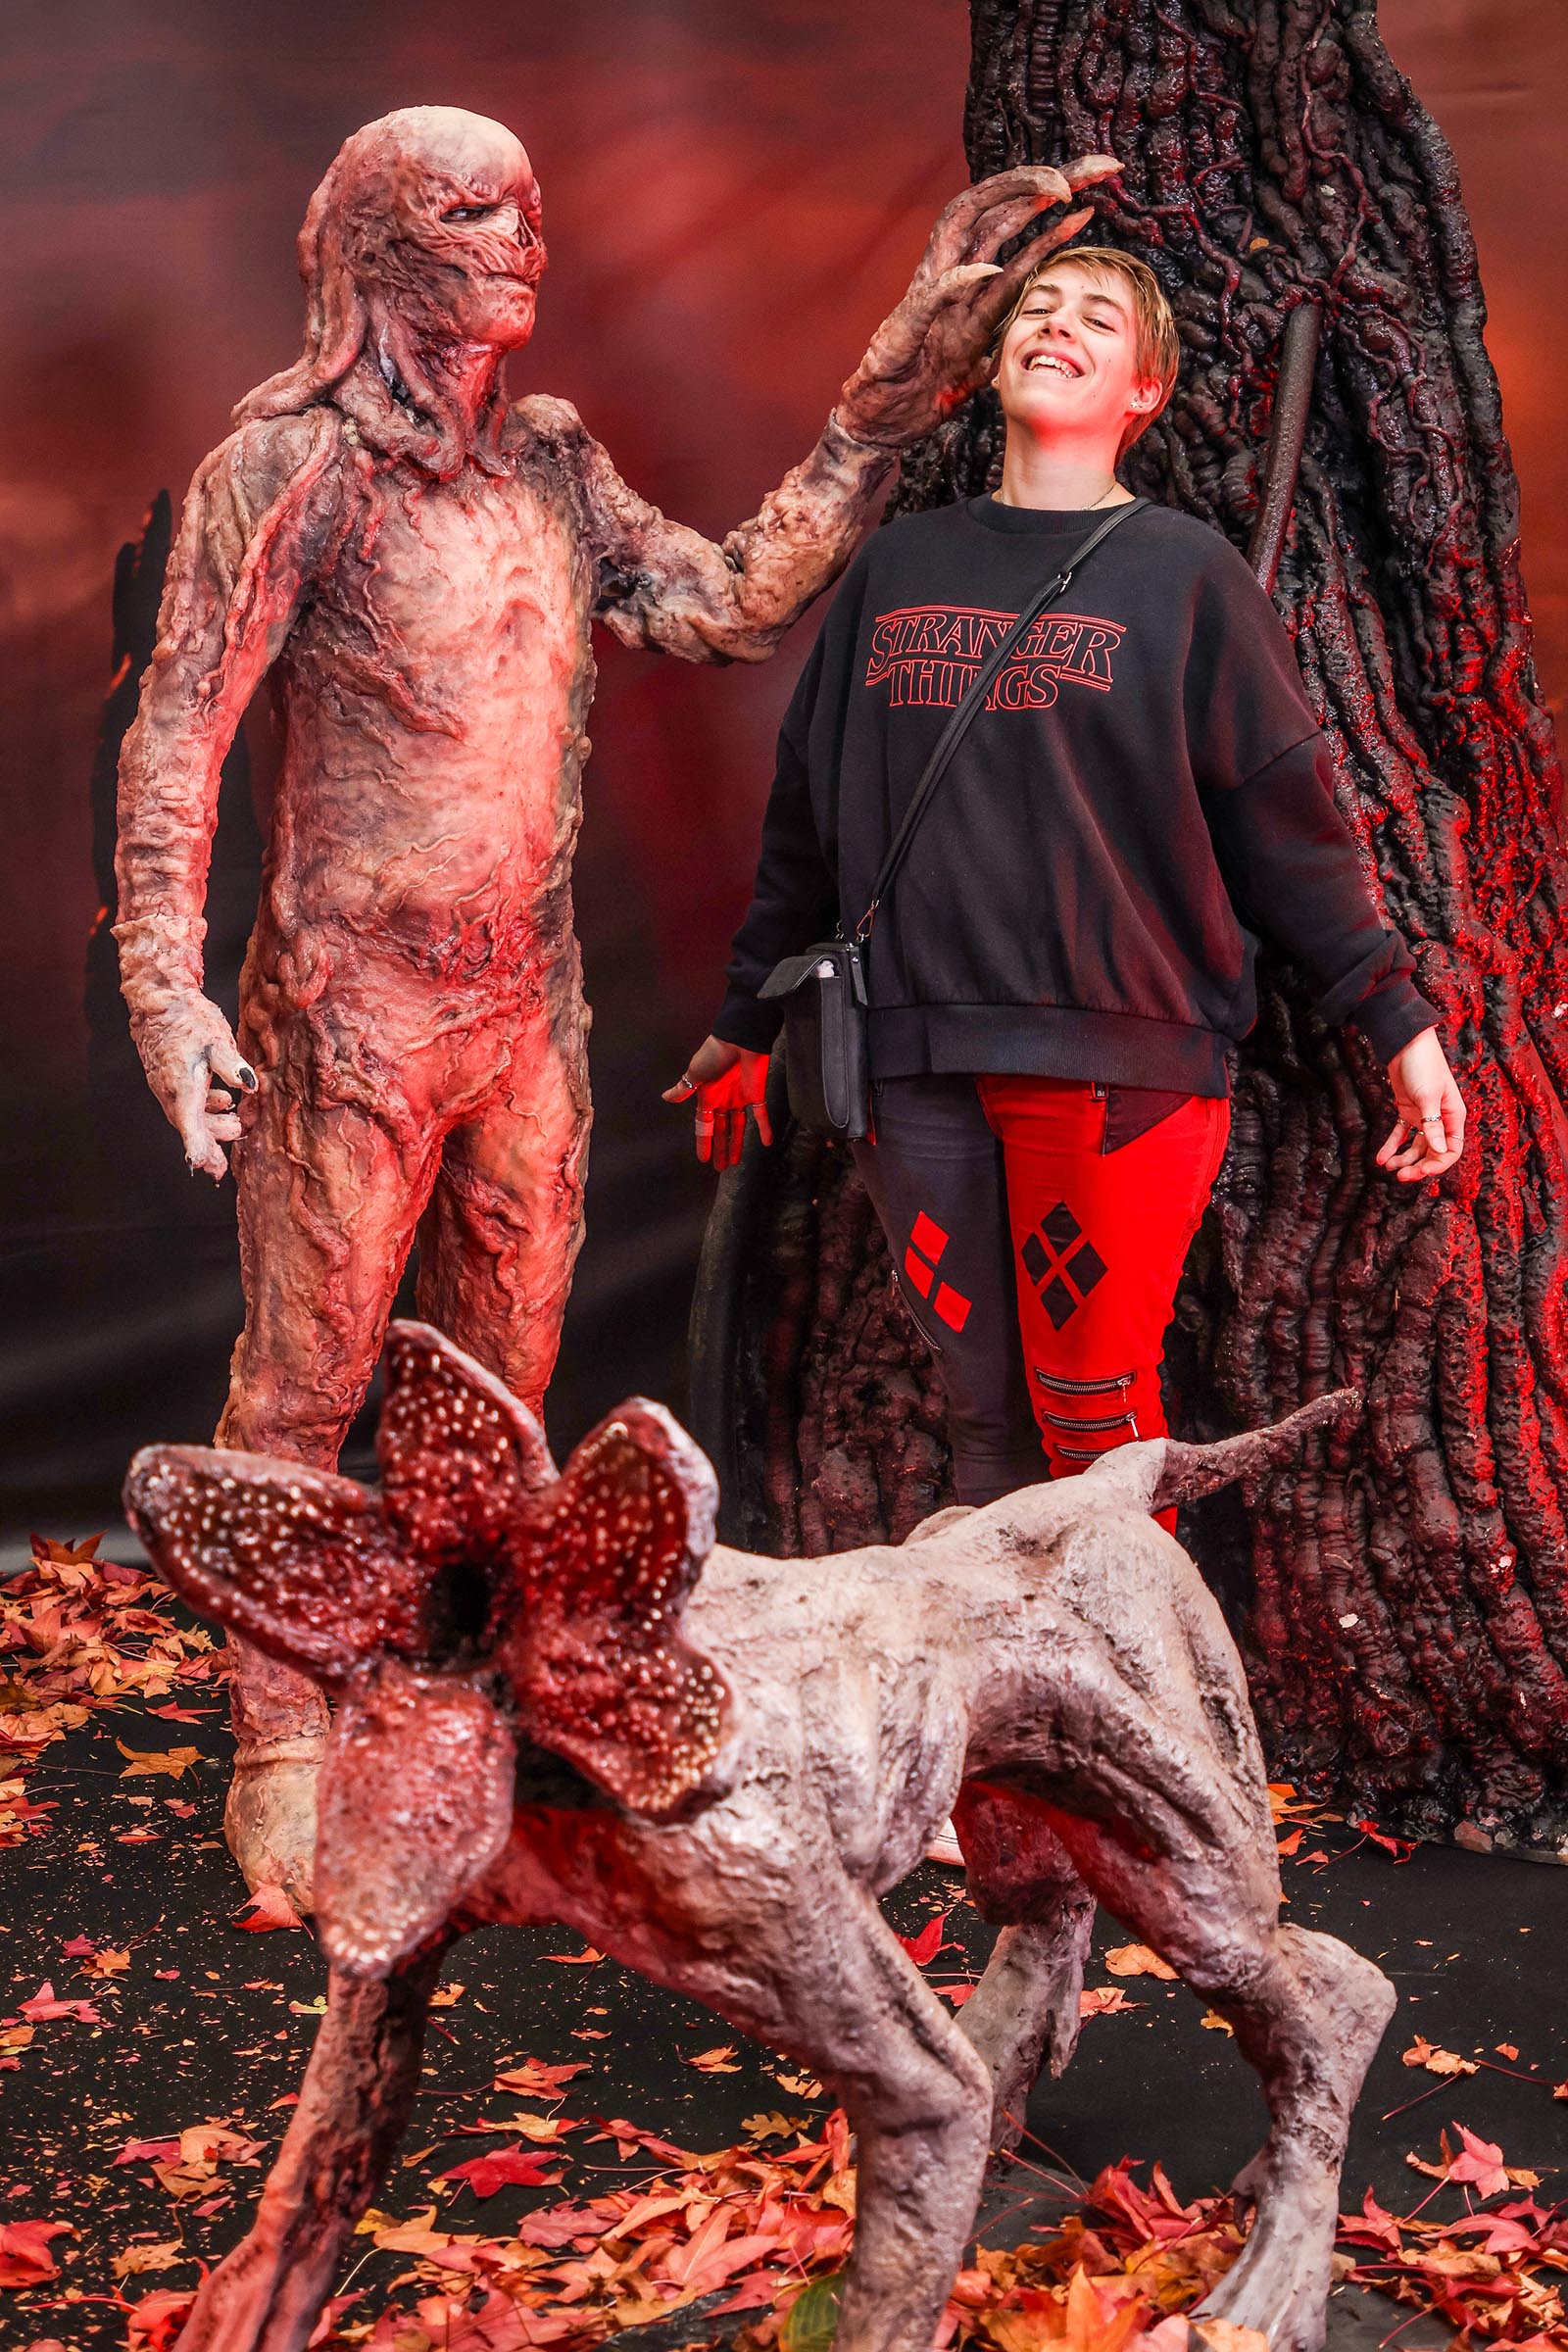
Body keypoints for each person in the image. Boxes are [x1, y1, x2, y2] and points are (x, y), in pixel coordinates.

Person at [113, 102, 1118, 1907]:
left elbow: (728, 605)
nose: (520, 239)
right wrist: (166, 992)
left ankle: (468, 1702)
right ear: (376, 243)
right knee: (304, 1386)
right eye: (470, 211)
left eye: (528, 208)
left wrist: (887, 395)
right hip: (350, 1010)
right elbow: (180, 728)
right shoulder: (289, 471)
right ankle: (282, 1736)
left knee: (500, 1392)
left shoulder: (549, 463)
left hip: (524, 1008)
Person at [669, 243, 1466, 1549]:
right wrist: (748, 1022)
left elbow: (1289, 828)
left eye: (1099, 317)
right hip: (910, 1070)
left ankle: (1142, 1675)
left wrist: (1398, 1023)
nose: (1058, 325)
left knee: (1096, 1427)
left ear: (1144, 389)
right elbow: (809, 812)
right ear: (996, 363)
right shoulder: (900, 567)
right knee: (984, 1423)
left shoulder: (1185, 577)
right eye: (1037, 308)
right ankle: (1018, 1689)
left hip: (1114, 1065)